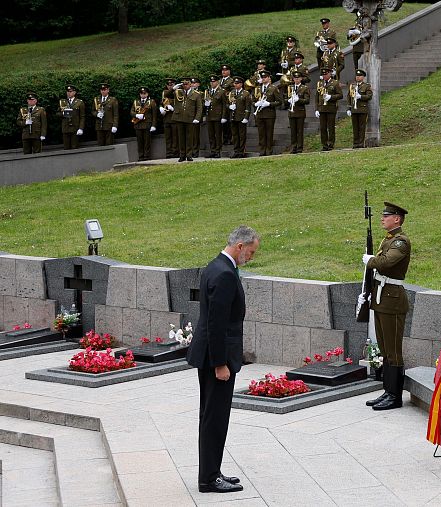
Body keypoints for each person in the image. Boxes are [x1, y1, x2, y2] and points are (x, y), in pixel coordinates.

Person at [186, 225, 260, 494]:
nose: (251, 257)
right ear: (239, 246)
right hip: (216, 359)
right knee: (214, 419)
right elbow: (217, 323)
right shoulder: (225, 273)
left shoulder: (215, 265)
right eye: (250, 252)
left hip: (210, 354)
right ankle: (208, 479)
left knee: (211, 417)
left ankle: (211, 472)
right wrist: (220, 364)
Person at [362, 202, 411, 411]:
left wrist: (370, 260)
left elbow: (384, 263)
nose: (383, 218)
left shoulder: (401, 242)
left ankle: (395, 396)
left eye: (387, 215)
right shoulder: (389, 239)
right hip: (382, 299)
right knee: (384, 349)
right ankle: (388, 391)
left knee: (393, 351)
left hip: (393, 300)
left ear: (397, 219)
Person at [252, 70, 282, 156]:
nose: (264, 79)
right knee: (261, 133)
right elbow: (253, 100)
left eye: (265, 77)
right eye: (262, 77)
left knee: (269, 133)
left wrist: (269, 104)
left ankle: (269, 150)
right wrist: (255, 104)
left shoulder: (273, 88)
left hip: (269, 114)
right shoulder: (257, 88)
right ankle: (262, 150)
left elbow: (279, 102)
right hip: (260, 114)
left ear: (269, 78)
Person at [174, 77, 201, 162]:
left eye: (186, 84)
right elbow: (167, 95)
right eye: (183, 84)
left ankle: (189, 154)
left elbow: (199, 107)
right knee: (181, 137)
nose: (185, 85)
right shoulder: (178, 92)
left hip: (190, 118)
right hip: (180, 118)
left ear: (190, 84)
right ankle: (182, 155)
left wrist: (197, 118)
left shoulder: (196, 94)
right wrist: (174, 88)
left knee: (189, 137)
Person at [315, 67, 341, 151]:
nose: (324, 76)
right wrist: (316, 108)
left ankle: (331, 143)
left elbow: (340, 95)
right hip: (322, 108)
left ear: (330, 74)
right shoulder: (320, 83)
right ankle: (324, 144)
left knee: (331, 127)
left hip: (331, 108)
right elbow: (317, 97)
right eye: (323, 74)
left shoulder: (335, 83)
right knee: (323, 128)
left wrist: (331, 97)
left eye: (326, 74)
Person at [346, 69, 372, 149]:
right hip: (354, 109)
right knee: (355, 127)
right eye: (357, 76)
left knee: (361, 127)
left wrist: (360, 96)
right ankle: (355, 143)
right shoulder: (353, 86)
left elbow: (369, 96)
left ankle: (361, 143)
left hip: (362, 109)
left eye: (359, 76)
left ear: (363, 77)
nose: (357, 77)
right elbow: (349, 97)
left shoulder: (366, 86)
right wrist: (349, 108)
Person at [131, 86, 158, 161]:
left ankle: (147, 156)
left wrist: (153, 125)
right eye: (141, 93)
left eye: (144, 93)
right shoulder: (136, 102)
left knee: (147, 142)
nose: (143, 95)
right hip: (138, 125)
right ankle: (141, 156)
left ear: (147, 94)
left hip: (147, 124)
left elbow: (154, 115)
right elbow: (131, 111)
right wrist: (136, 115)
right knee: (139, 142)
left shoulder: (151, 102)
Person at [286, 71, 310, 154]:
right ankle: (293, 147)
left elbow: (307, 101)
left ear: (301, 78)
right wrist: (288, 100)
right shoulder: (290, 87)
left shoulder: (304, 88)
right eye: (295, 78)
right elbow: (285, 99)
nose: (296, 80)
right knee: (293, 132)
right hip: (291, 112)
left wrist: (298, 100)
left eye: (298, 78)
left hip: (300, 112)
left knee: (299, 131)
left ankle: (300, 148)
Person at [228, 77, 252, 158]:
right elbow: (227, 103)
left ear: (241, 84)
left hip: (241, 117)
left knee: (242, 135)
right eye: (235, 83)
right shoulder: (232, 92)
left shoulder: (246, 93)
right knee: (235, 135)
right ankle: (236, 151)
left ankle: (241, 151)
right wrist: (230, 107)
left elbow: (248, 107)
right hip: (233, 117)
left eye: (237, 83)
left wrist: (246, 117)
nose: (235, 85)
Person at [58, 85, 85, 150]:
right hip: (65, 128)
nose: (69, 93)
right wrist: (63, 113)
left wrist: (81, 128)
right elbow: (58, 113)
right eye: (67, 91)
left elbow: (82, 116)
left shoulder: (79, 102)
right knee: (66, 148)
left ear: (74, 92)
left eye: (70, 91)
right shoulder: (63, 102)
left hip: (75, 127)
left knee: (74, 147)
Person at [205, 76, 227, 158]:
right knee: (211, 135)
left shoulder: (222, 91)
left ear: (217, 82)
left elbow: (224, 105)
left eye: (213, 82)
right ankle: (213, 150)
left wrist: (224, 116)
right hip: (209, 116)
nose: (212, 83)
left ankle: (218, 151)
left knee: (218, 135)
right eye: (211, 82)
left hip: (218, 116)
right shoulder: (208, 91)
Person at [160, 78, 178, 158]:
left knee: (175, 137)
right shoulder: (164, 92)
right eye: (168, 85)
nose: (169, 86)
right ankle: (169, 152)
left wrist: (174, 108)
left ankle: (175, 152)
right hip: (166, 118)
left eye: (171, 85)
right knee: (168, 137)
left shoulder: (177, 92)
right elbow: (162, 102)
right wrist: (161, 108)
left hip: (174, 118)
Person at [190, 78, 203, 158]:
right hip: (188, 116)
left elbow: (201, 106)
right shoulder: (188, 92)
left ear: (198, 84)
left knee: (195, 135)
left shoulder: (201, 93)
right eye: (192, 83)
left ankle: (195, 151)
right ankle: (189, 151)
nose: (193, 84)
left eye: (195, 83)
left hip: (196, 116)